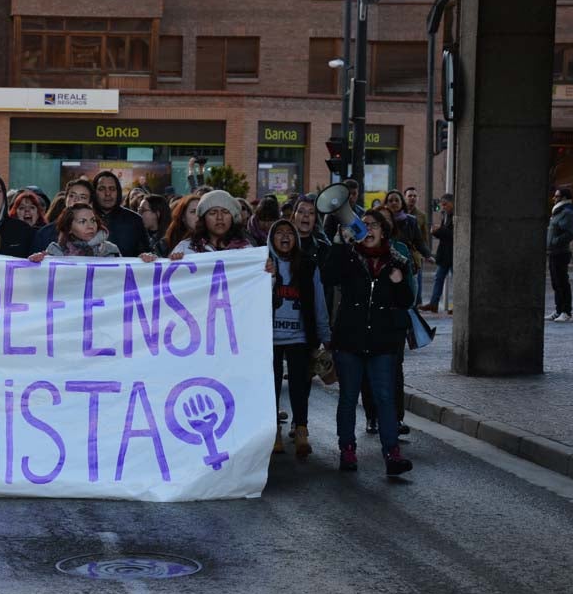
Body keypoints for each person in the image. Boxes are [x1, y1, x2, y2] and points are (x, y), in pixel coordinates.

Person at [320, 209, 414, 477]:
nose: (368, 230)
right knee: (349, 397)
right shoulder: (349, 257)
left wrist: (398, 283)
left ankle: (392, 453)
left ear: (384, 231)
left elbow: (406, 301)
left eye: (374, 225)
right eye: (364, 225)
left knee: (385, 398)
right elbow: (328, 277)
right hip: (350, 340)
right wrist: (340, 244)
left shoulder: (397, 261)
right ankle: (347, 449)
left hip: (383, 343)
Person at [267, 218, 331, 458]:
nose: (285, 237)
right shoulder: (263, 264)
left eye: (289, 233)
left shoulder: (307, 265)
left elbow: (319, 302)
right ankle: (273, 430)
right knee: (270, 386)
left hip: (300, 337)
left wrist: (325, 335)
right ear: (271, 239)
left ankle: (301, 428)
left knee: (299, 385)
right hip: (268, 338)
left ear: (296, 239)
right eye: (279, 232)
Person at [168, 190, 253, 256]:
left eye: (225, 212)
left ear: (232, 217)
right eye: (213, 213)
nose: (219, 217)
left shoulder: (246, 249)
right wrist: (175, 261)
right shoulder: (186, 248)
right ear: (203, 218)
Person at [29, 203, 122, 261]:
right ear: (69, 228)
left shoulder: (110, 250)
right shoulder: (55, 251)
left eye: (93, 220)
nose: (90, 226)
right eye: (83, 221)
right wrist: (38, 261)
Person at [91, 170, 149, 257]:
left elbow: (146, 252)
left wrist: (146, 256)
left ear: (118, 192)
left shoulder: (134, 220)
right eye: (102, 189)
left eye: (112, 189)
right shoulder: (84, 219)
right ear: (94, 192)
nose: (107, 193)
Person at [32, 179, 94, 253]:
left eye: (83, 197)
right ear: (65, 200)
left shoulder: (100, 233)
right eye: (72, 196)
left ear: (90, 204)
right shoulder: (45, 233)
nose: (76, 200)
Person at [547, 187, 573, 322]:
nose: (554, 198)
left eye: (557, 196)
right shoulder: (558, 211)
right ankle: (558, 310)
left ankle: (566, 311)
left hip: (561, 252)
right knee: (555, 282)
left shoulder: (567, 212)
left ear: (564, 198)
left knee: (562, 282)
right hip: (553, 252)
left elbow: (569, 233)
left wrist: (554, 241)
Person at [421, 193, 454, 313]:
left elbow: (453, 235)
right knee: (438, 278)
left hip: (453, 254)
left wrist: (439, 230)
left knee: (456, 280)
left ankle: (457, 305)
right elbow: (444, 234)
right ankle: (434, 303)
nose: (443, 207)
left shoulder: (456, 216)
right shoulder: (444, 215)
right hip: (444, 253)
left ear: (452, 203)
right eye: (442, 205)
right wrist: (435, 232)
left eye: (445, 204)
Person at [404, 186, 430, 303]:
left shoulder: (421, 215)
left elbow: (424, 237)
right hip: (401, 251)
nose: (412, 198)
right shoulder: (399, 213)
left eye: (415, 196)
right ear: (405, 197)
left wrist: (425, 253)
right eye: (410, 196)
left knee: (416, 280)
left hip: (415, 254)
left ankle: (416, 303)